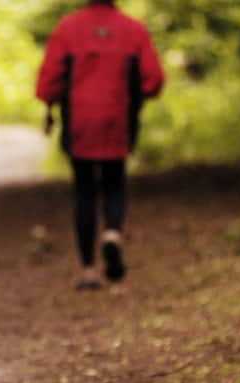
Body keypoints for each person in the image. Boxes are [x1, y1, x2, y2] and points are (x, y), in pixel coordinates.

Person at [36, 0, 165, 290]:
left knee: (84, 189)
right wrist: (132, 95)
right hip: (119, 120)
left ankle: (88, 269)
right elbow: (154, 80)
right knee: (114, 181)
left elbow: (48, 85)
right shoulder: (133, 30)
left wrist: (53, 101)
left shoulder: (68, 29)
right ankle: (112, 235)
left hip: (79, 122)